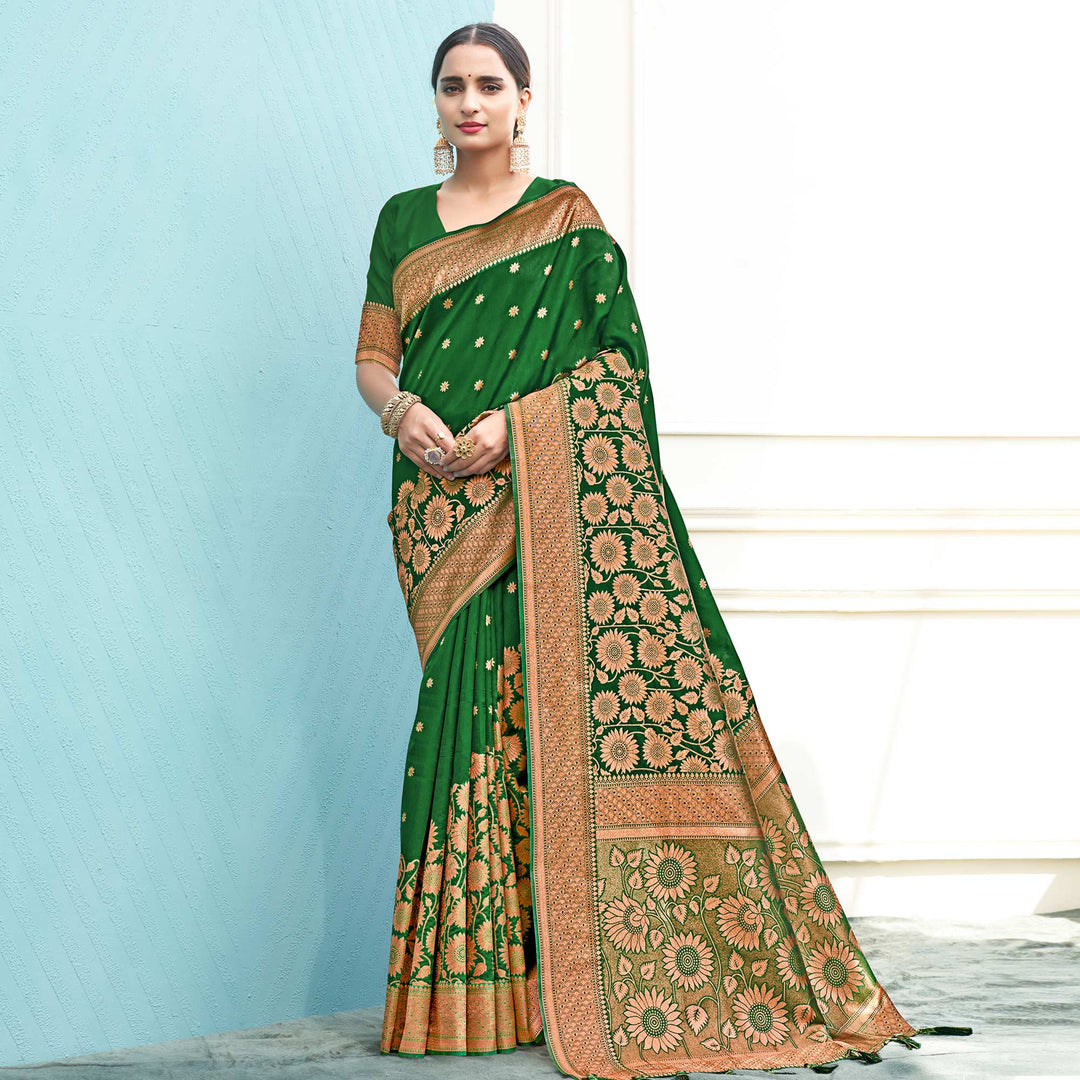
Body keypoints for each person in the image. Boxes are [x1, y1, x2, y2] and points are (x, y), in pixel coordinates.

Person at [354, 21, 971, 1079]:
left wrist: (518, 427)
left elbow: (617, 372)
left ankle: (556, 983)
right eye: (452, 86)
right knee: (459, 723)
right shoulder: (402, 219)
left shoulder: (569, 221)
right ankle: (469, 1000)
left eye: (490, 85)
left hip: (532, 497)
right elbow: (373, 355)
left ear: (523, 99)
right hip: (435, 504)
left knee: (525, 717)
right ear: (436, 101)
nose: (470, 104)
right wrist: (400, 411)